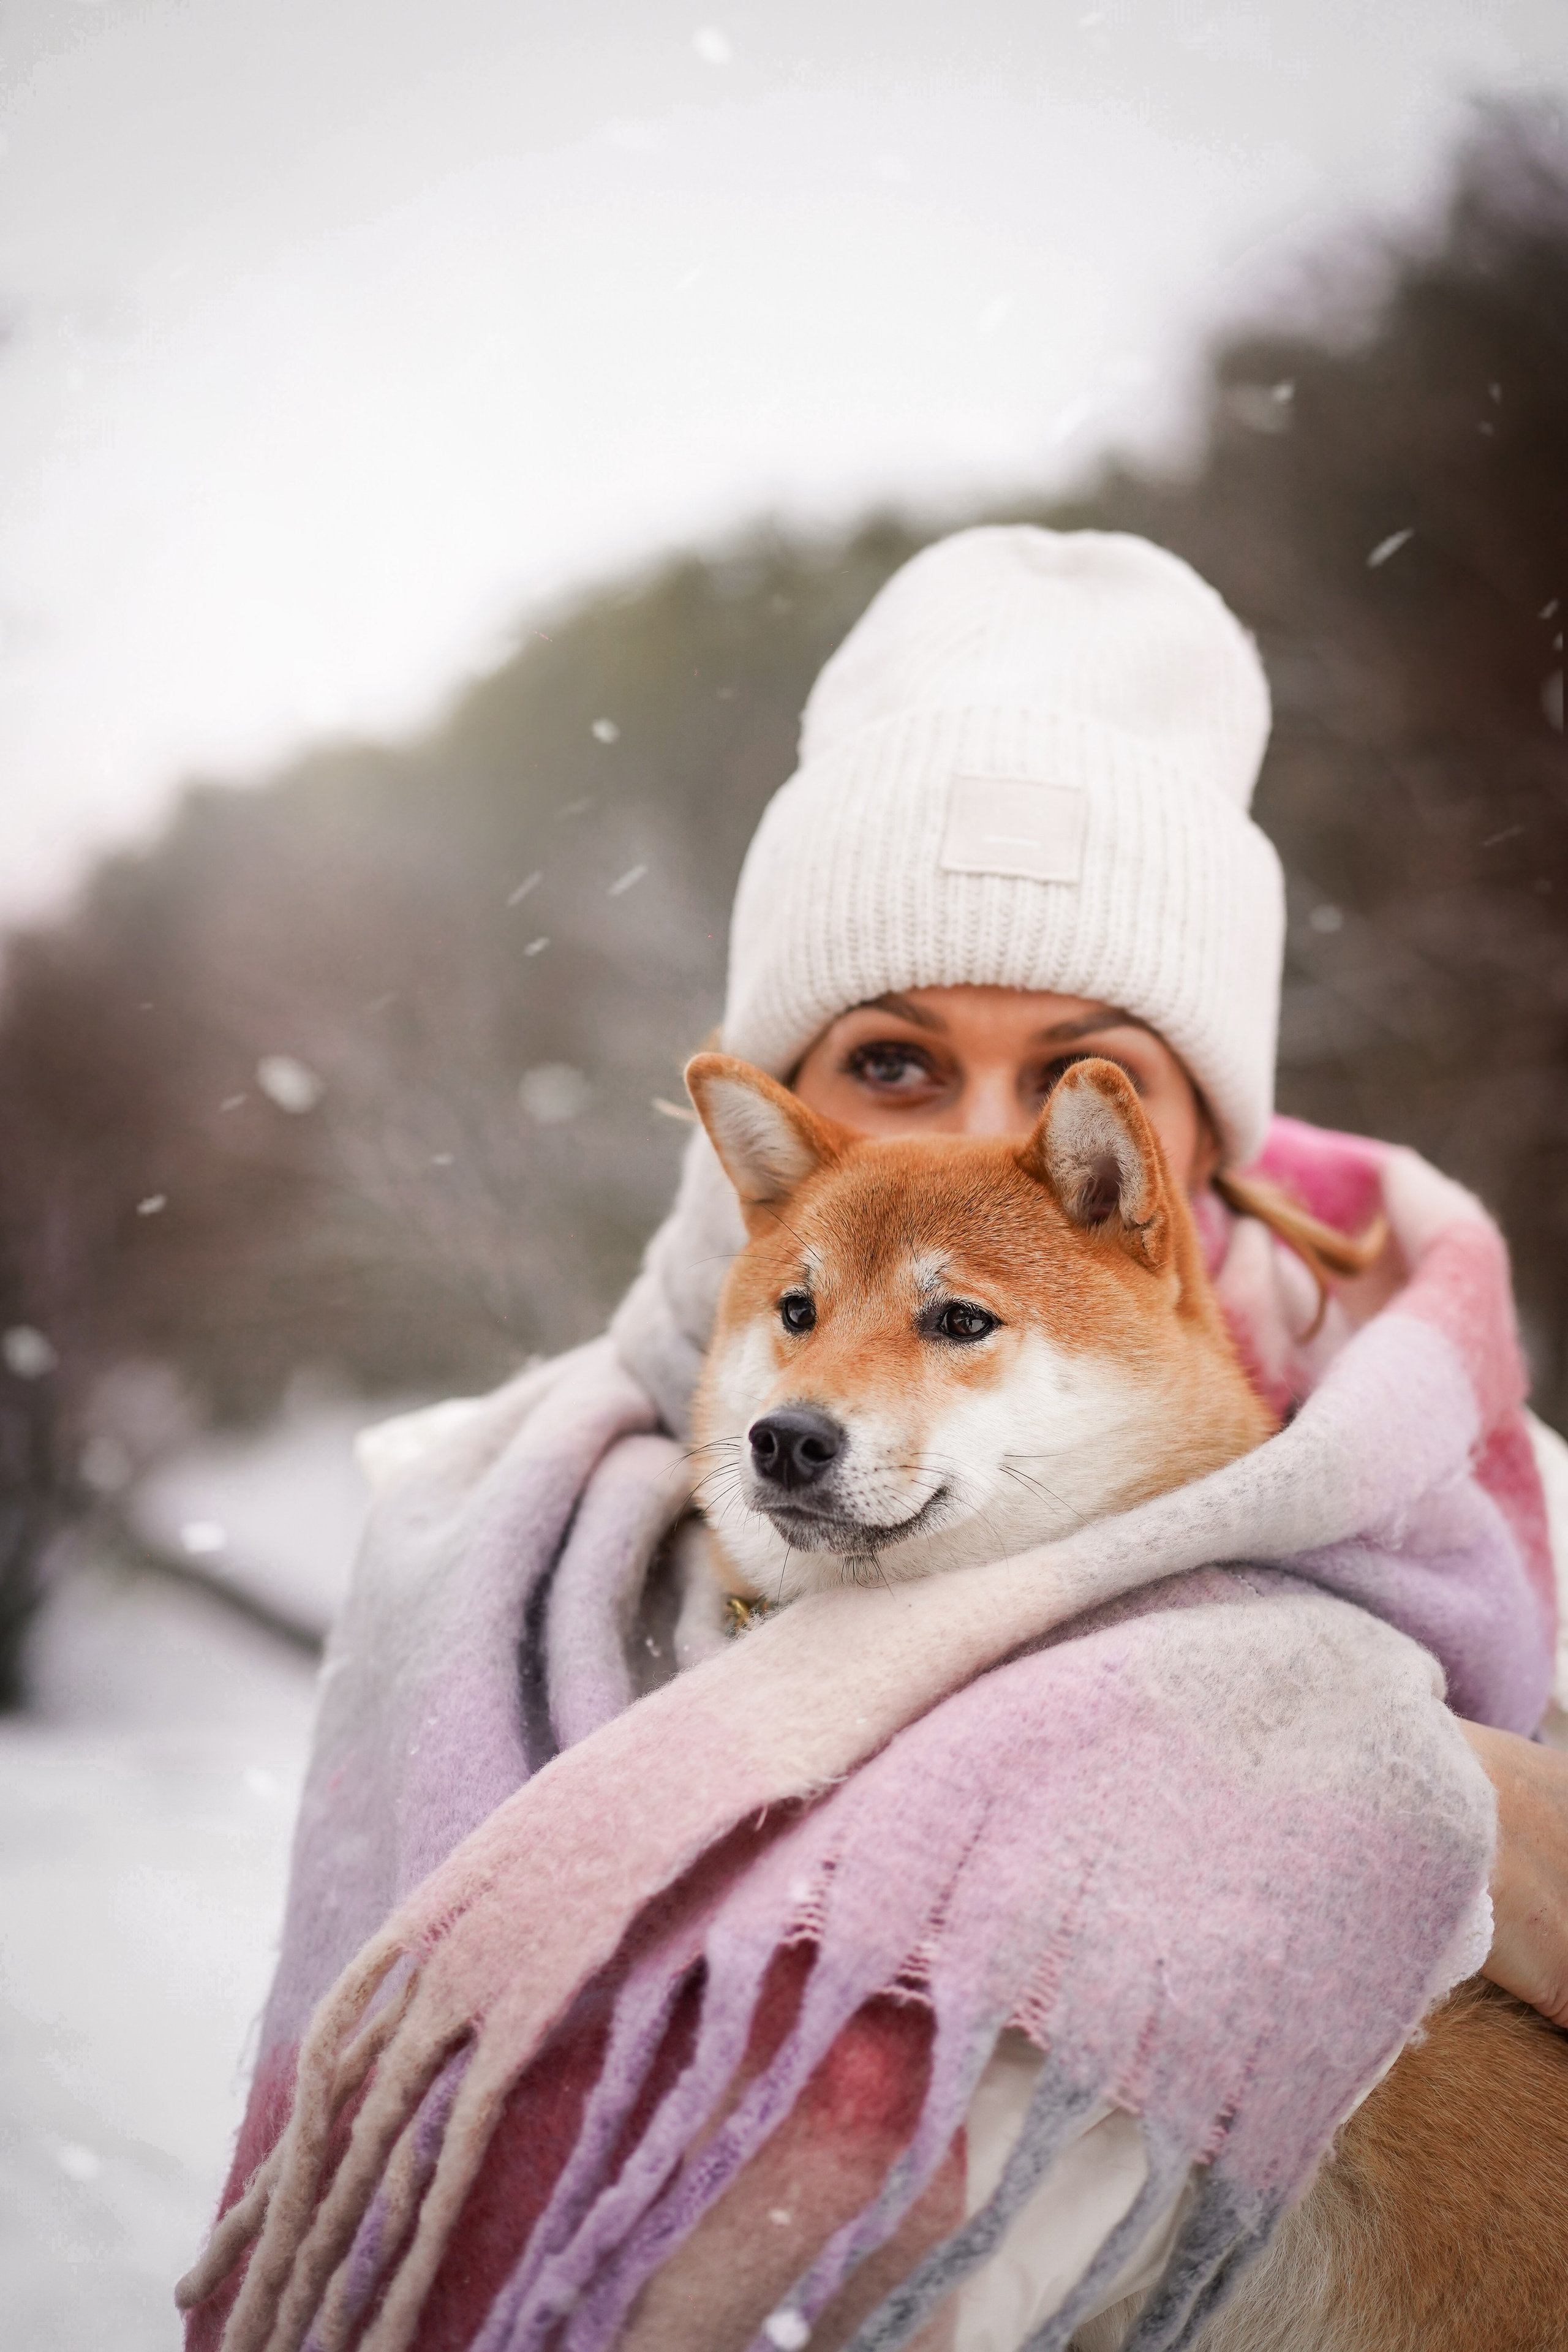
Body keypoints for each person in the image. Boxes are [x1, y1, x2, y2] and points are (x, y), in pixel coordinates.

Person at [184, 527, 1568, 2352]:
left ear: (1160, 1151)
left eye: (1085, 1073)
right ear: (777, 1106)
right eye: (898, 1063)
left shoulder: (1504, 1506)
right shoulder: (487, 1547)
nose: (983, 1136)